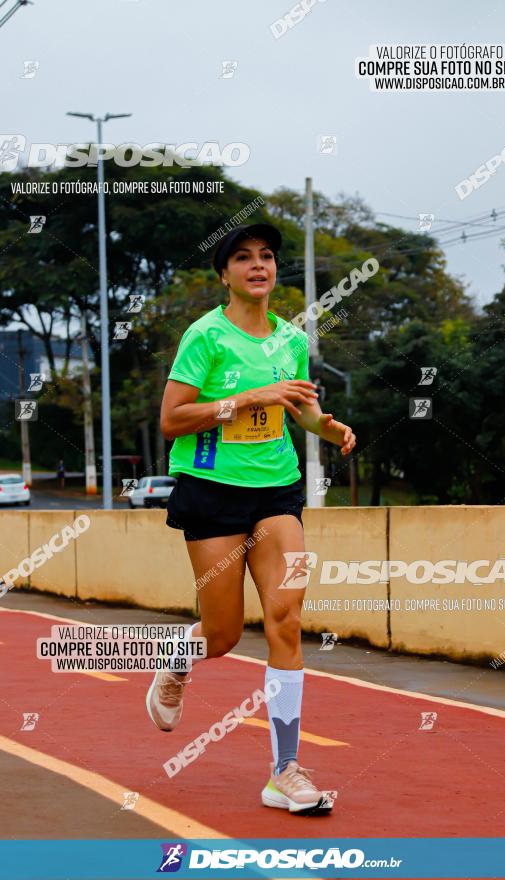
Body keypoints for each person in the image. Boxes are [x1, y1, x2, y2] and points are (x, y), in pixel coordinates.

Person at [146, 222, 355, 814]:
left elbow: (301, 409)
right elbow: (173, 419)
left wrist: (327, 427)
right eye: (244, 257)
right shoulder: (204, 336)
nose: (258, 265)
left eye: (266, 257)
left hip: (277, 491)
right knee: (224, 635)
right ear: (225, 274)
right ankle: (181, 657)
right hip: (211, 492)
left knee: (286, 616)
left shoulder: (289, 340)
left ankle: (283, 770)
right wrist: (248, 400)